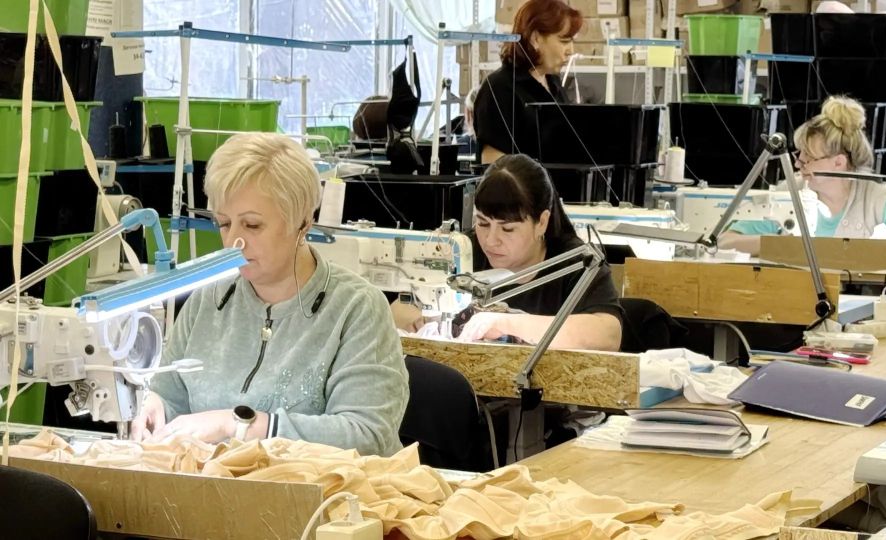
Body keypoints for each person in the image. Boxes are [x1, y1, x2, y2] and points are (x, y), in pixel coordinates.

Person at [131, 133, 409, 456]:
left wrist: (239, 425)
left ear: (302, 223)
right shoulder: (208, 299)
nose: (233, 241)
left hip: (318, 488)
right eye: (224, 223)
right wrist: (154, 408)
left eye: (252, 225)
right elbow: (170, 397)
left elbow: (367, 435)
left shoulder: (357, 309)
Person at [719, 96, 886, 255]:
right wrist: (784, 246)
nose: (798, 162)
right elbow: (726, 240)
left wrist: (863, 253)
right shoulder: (791, 192)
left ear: (838, 162)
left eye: (809, 156)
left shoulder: (876, 198)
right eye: (799, 154)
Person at [457, 154, 622, 351]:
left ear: (542, 222)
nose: (490, 240)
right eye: (483, 223)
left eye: (507, 229)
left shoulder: (577, 263)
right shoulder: (464, 250)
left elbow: (608, 335)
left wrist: (505, 323)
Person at [473, 0, 581, 163]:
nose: (571, 51)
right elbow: (494, 165)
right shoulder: (500, 88)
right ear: (535, 38)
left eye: (572, 41)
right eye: (564, 41)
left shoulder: (552, 82)